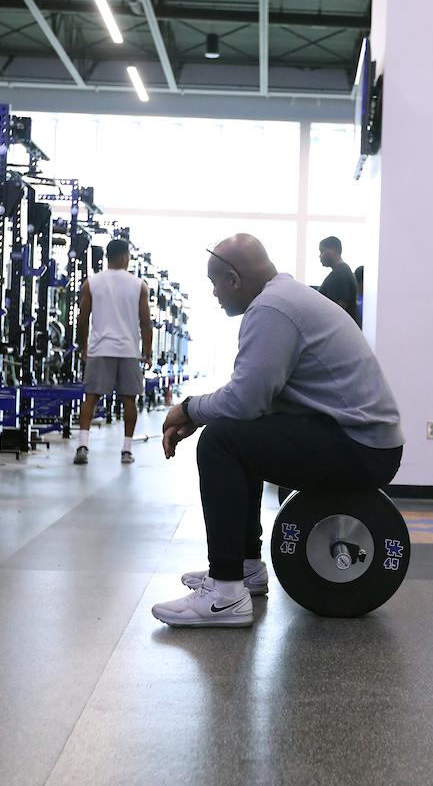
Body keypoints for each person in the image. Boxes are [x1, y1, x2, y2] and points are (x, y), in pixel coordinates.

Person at [151, 234, 404, 628]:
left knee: (221, 440)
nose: (214, 293)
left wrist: (187, 408)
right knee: (239, 432)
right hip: (362, 440)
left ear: (234, 279)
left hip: (363, 446)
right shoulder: (284, 297)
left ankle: (224, 593)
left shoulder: (271, 308)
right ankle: (244, 569)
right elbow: (252, 401)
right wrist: (199, 411)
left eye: (215, 283)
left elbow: (243, 401)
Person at [74, 238, 151, 465]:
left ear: (107, 257)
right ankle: (126, 451)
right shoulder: (139, 285)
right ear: (125, 256)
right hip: (128, 350)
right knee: (129, 400)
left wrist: (83, 346)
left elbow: (82, 318)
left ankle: (82, 446)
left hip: (100, 348)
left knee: (91, 398)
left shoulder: (92, 282)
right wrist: (147, 353)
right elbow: (145, 322)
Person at [317, 236, 361, 327]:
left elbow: (337, 312)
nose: (320, 256)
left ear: (333, 250)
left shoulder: (339, 275)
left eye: (322, 251)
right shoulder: (344, 271)